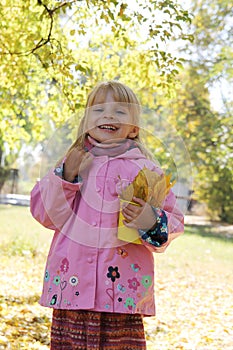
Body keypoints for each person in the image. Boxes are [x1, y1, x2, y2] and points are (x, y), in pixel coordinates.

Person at [30, 80, 184, 349]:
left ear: (135, 127)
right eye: (99, 109)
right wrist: (66, 176)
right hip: (72, 286)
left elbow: (175, 223)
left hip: (122, 291)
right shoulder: (71, 163)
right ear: (87, 121)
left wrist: (149, 219)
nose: (109, 115)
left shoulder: (147, 171)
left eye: (120, 111)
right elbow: (44, 214)